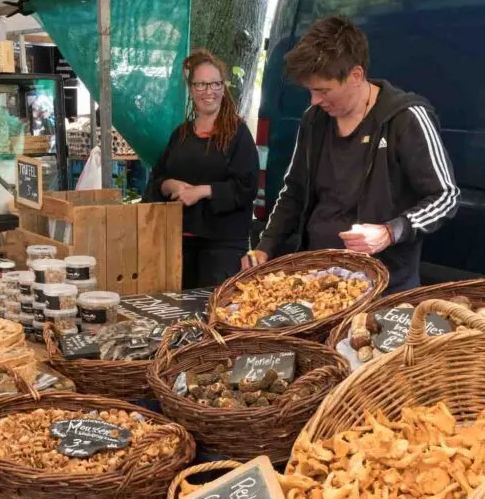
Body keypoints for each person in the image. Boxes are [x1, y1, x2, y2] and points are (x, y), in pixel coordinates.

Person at [248, 16, 459, 293]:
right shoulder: (314, 120)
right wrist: (265, 247)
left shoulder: (406, 118)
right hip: (317, 278)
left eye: (323, 90)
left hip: (383, 285)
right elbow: (294, 192)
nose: (315, 101)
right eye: (311, 91)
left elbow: (446, 196)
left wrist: (389, 232)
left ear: (356, 76)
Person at [147, 49, 260, 289]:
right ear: (190, 89)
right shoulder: (180, 134)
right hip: (177, 242)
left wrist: (203, 191)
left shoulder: (238, 134)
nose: (209, 91)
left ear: (223, 87)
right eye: (200, 85)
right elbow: (157, 179)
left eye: (215, 84)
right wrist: (169, 185)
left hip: (223, 247)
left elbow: (246, 187)